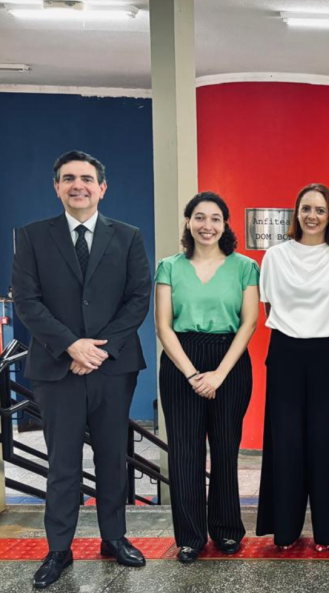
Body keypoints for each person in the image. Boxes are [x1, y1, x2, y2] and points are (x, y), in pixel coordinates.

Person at [13, 150, 151, 589]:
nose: (79, 185)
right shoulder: (33, 237)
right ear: (57, 187)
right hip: (57, 368)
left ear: (102, 187)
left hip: (113, 367)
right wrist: (71, 345)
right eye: (69, 178)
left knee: (113, 457)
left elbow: (138, 299)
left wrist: (98, 351)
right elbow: (27, 301)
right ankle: (59, 549)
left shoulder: (128, 236)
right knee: (63, 462)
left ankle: (114, 538)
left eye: (87, 179)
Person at [154, 192, 260, 564]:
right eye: (199, 217)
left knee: (226, 448)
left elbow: (249, 323)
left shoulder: (245, 267)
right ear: (188, 222)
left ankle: (227, 529)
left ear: (225, 224)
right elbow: (163, 326)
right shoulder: (169, 267)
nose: (207, 225)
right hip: (181, 360)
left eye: (215, 218)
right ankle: (190, 537)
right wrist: (193, 374)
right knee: (185, 452)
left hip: (229, 361)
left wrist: (218, 375)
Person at [256, 184, 329, 550]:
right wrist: (297, 329)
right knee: (285, 442)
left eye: (319, 210)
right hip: (285, 352)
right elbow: (270, 307)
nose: (312, 216)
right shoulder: (275, 256)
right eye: (305, 209)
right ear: (296, 213)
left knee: (327, 443)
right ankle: (284, 531)